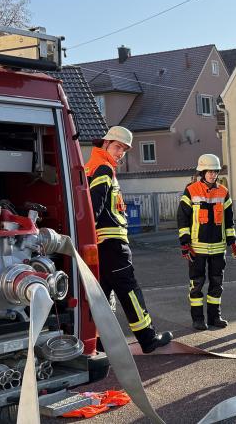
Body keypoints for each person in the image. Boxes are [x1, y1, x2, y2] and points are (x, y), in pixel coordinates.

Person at [85, 126, 172, 353]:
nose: (120, 153)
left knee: (101, 297)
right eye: (117, 147)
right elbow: (94, 207)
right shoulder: (103, 169)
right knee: (129, 290)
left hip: (100, 245)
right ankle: (148, 339)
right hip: (113, 245)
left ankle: (99, 343)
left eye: (123, 150)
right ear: (105, 144)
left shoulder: (91, 167)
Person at [178, 154, 236, 331]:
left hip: (219, 248)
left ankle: (215, 317)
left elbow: (229, 221)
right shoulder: (191, 190)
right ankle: (198, 319)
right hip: (196, 248)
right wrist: (184, 244)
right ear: (202, 172)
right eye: (209, 172)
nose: (212, 175)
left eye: (215, 171)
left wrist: (233, 242)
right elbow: (182, 219)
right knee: (196, 284)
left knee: (217, 283)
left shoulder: (223, 192)